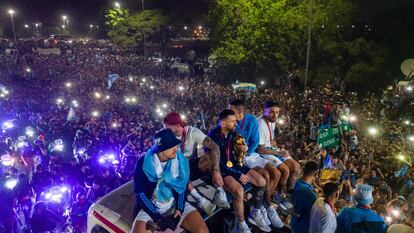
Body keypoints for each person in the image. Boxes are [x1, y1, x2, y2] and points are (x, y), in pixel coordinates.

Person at [131, 129, 208, 233]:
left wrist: (179, 209)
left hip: (174, 203)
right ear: (161, 149)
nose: (176, 148)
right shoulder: (143, 163)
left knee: (202, 231)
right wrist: (157, 218)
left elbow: (181, 187)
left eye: (176, 145)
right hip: (152, 207)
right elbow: (140, 193)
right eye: (172, 146)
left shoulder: (180, 160)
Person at [208, 109, 271, 233]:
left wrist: (243, 149)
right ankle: (242, 224)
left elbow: (237, 154)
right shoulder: (213, 137)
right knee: (239, 190)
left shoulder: (233, 133)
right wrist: (238, 174)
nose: (236, 124)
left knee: (261, 181)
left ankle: (256, 212)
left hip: (235, 166)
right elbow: (218, 163)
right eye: (232, 121)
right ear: (223, 123)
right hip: (223, 170)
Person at [229, 99, 284, 228]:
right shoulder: (229, 122)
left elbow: (255, 142)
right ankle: (262, 207)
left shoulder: (251, 120)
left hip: (251, 154)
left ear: (240, 112)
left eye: (232, 111)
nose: (229, 113)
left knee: (276, 173)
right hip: (240, 158)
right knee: (265, 175)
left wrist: (247, 152)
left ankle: (266, 206)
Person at [164, 112, 228, 215]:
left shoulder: (192, 132)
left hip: (191, 164)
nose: (165, 129)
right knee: (176, 170)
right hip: (177, 169)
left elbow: (214, 146)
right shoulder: (166, 136)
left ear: (177, 125)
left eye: (168, 127)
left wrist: (216, 170)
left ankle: (219, 191)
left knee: (209, 156)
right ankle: (200, 200)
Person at [257, 101, 301, 195]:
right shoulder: (260, 124)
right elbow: (260, 149)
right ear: (264, 111)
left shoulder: (271, 121)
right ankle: (279, 194)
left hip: (271, 149)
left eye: (277, 112)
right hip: (263, 152)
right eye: (272, 112)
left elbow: (271, 140)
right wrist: (279, 153)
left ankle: (289, 192)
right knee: (285, 170)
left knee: (296, 167)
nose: (275, 115)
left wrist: (279, 149)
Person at [291, 161, 319, 233]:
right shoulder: (309, 194)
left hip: (294, 223)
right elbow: (313, 214)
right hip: (303, 227)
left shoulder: (299, 182)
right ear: (315, 173)